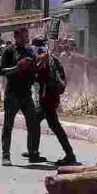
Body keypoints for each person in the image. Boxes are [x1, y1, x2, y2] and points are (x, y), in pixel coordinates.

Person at [0, 27, 45, 166]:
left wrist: (38, 65)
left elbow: (34, 70)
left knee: (33, 123)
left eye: (27, 36)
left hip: (26, 93)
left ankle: (33, 153)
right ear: (16, 37)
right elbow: (2, 71)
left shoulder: (29, 51)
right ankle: (5, 155)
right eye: (24, 36)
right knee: (8, 124)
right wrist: (18, 67)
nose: (27, 38)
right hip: (12, 93)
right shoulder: (9, 51)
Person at [32, 37, 78, 166]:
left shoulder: (43, 58)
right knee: (35, 121)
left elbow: (38, 76)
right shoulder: (52, 58)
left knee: (54, 125)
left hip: (47, 97)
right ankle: (33, 151)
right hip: (51, 95)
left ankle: (70, 155)